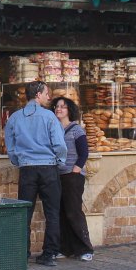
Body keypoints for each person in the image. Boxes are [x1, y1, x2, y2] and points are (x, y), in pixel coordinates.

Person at [4, 80, 67, 266]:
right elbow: (60, 145)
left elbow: (11, 146)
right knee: (52, 212)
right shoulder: (48, 117)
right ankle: (49, 254)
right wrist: (60, 161)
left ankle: (23, 253)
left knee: (24, 213)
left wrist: (19, 161)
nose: (49, 97)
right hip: (48, 168)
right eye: (47, 93)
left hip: (27, 169)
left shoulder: (15, 118)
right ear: (38, 94)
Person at [52, 96, 95, 261]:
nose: (59, 109)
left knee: (73, 212)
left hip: (72, 175)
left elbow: (84, 152)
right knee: (61, 212)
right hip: (58, 175)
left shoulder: (76, 130)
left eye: (62, 107)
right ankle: (65, 248)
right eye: (56, 106)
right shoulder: (54, 129)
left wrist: (75, 170)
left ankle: (85, 248)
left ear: (69, 110)